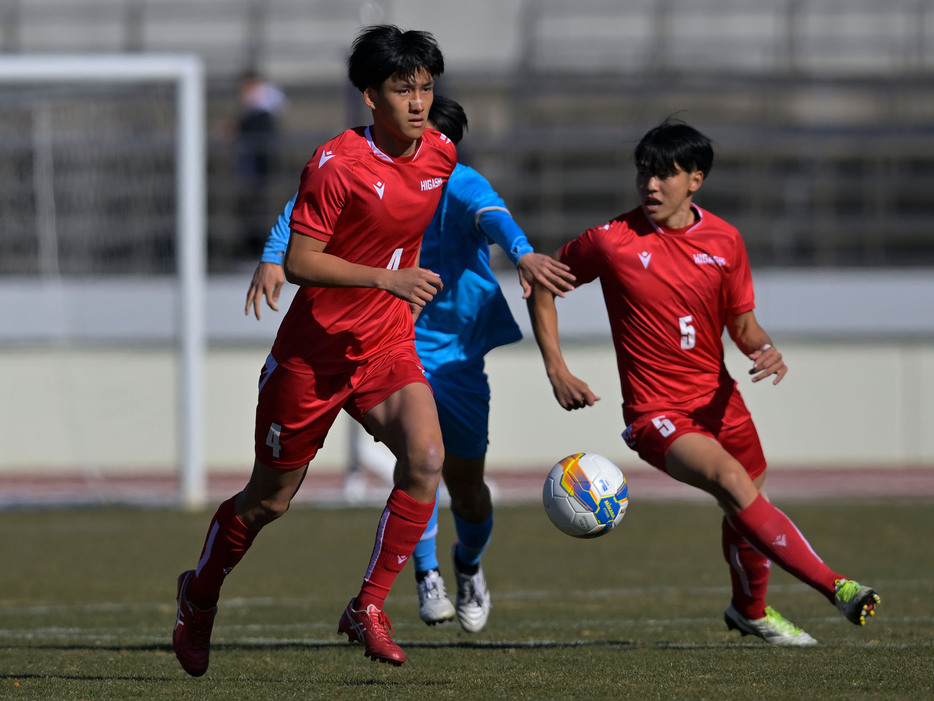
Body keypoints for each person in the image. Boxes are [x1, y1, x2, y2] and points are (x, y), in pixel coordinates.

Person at [527, 118, 881, 647]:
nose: (650, 185)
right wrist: (557, 368)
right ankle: (838, 587)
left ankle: (749, 611)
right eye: (644, 173)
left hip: (721, 401)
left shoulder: (725, 240)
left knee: (749, 503)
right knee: (735, 486)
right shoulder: (611, 241)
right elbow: (541, 283)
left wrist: (763, 349)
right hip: (657, 415)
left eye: (664, 174)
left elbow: (741, 323)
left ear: (695, 179)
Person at [173, 24, 456, 674]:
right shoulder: (337, 164)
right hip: (313, 355)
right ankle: (200, 595)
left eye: (424, 88)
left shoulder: (439, 152)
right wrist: (309, 260)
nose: (417, 101)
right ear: (369, 96)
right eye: (401, 88)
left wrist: (517, 251)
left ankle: (369, 606)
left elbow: (435, 208)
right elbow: (305, 255)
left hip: (383, 343)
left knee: (426, 456)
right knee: (269, 500)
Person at [245, 95, 576, 633]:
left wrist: (523, 254)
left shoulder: (459, 180)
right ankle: (424, 574)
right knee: (420, 461)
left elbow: (496, 218)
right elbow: (300, 208)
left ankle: (466, 565)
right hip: (394, 340)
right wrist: (272, 255)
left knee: (466, 485)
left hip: (460, 352)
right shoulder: (369, 175)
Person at [234, 69, 287, 258]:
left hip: (259, 170)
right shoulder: (257, 110)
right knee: (251, 209)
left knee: (258, 209)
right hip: (254, 168)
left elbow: (258, 134)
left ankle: (257, 251)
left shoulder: (264, 111)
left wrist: (236, 128)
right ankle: (254, 250)